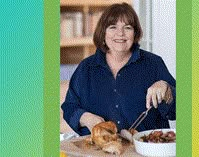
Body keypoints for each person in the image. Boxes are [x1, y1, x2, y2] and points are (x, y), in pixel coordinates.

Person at [61, 2, 176, 136]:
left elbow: (180, 110)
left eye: (127, 27)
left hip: (147, 150)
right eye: (112, 27)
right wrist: (85, 118)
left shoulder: (154, 63)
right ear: (103, 32)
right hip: (99, 151)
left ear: (135, 33)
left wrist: (167, 89)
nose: (120, 33)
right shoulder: (86, 68)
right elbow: (69, 107)